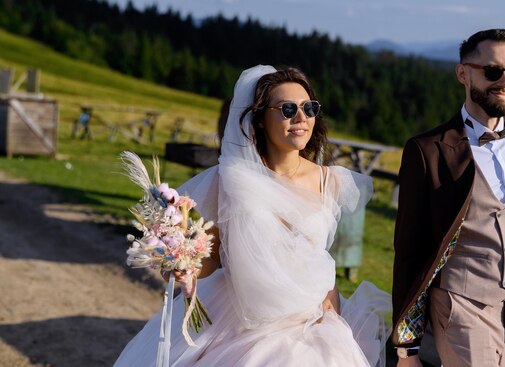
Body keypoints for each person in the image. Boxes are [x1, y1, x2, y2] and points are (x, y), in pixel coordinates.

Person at [114, 65, 391, 366]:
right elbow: (213, 254)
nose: (301, 118)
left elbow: (319, 257)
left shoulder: (331, 181)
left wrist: (334, 320)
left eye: (309, 108)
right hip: (241, 319)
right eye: (287, 109)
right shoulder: (231, 179)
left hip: (314, 319)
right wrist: (184, 264)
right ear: (260, 120)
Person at [392, 29, 505, 366]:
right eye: (492, 71)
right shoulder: (427, 150)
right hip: (462, 307)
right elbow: (409, 251)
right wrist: (407, 347)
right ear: (463, 73)